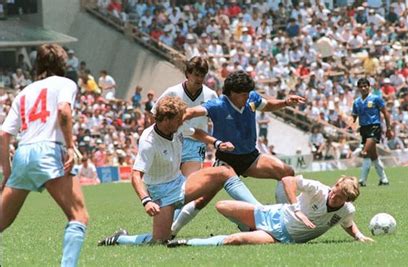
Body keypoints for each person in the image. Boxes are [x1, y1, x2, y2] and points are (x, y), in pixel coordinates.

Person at [97, 96, 259, 246]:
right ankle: (120, 238)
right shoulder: (148, 141)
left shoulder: (176, 127)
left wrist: (217, 143)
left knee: (224, 172)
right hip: (162, 194)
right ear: (166, 120)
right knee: (160, 240)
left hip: (181, 183)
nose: (182, 122)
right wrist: (147, 201)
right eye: (178, 119)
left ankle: (260, 213)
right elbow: (136, 175)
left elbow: (196, 133)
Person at [0, 44, 89, 266]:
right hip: (49, 150)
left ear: (38, 65)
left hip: (23, 153)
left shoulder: (24, 92)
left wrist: (8, 171)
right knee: (79, 216)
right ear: (63, 64)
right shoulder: (66, 83)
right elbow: (63, 110)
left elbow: (3, 135)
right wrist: (70, 147)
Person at [185, 70, 306, 204]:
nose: (247, 97)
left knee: (287, 172)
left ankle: (282, 216)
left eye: (248, 93)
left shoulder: (251, 98)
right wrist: (178, 118)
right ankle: (174, 224)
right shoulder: (218, 105)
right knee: (202, 200)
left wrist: (285, 102)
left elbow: (267, 105)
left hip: (251, 158)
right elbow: (192, 112)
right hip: (226, 161)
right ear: (232, 93)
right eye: (243, 95)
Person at [167, 175, 373, 247]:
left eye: (340, 198)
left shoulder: (347, 210)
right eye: (335, 191)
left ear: (347, 200)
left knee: (234, 241)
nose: (334, 197)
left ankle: (187, 243)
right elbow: (288, 180)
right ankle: (248, 226)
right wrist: (296, 209)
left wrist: (359, 236)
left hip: (280, 236)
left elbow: (348, 223)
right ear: (335, 184)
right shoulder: (318, 189)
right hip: (273, 213)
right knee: (221, 206)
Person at [150, 56, 218, 237]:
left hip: (195, 144)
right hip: (172, 141)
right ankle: (165, 228)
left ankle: (169, 229)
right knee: (169, 188)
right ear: (187, 73)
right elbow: (154, 115)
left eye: (202, 75)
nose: (199, 79)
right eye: (196, 74)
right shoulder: (172, 92)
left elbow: (217, 119)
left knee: (190, 188)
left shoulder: (211, 95)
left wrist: (215, 141)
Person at [351, 77, 393, 187]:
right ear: (358, 88)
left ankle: (362, 180)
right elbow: (354, 117)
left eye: (366, 86)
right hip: (364, 129)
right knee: (372, 155)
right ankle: (383, 179)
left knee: (365, 152)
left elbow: (385, 113)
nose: (364, 88)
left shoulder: (376, 99)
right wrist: (352, 123)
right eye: (361, 87)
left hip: (374, 127)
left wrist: (389, 128)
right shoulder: (356, 102)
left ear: (369, 87)